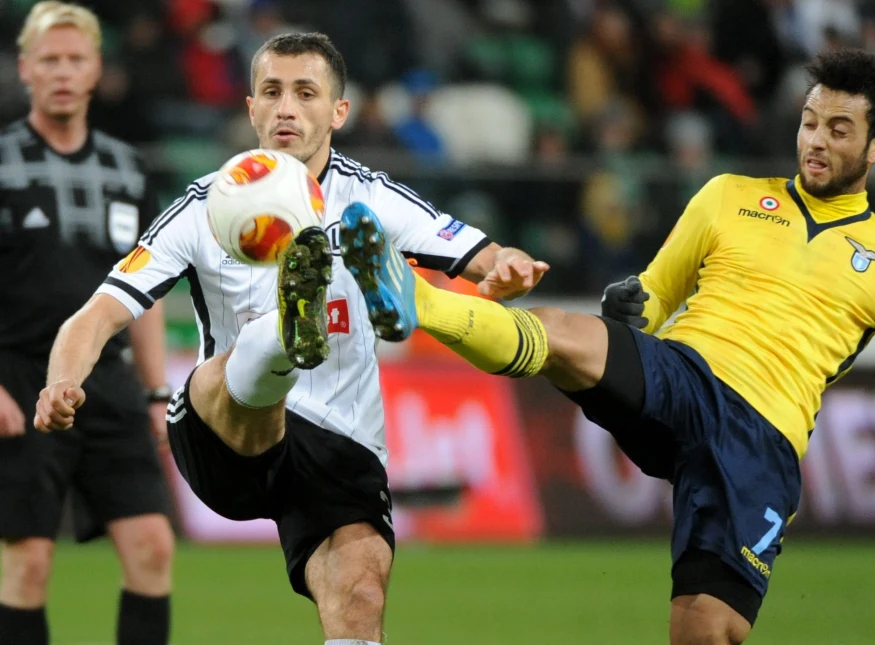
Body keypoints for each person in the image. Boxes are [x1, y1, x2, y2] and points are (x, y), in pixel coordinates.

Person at [338, 48, 875, 644]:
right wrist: (626, 306)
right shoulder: (728, 197)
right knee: (564, 333)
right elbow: (653, 295)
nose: (816, 140)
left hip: (760, 441)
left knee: (703, 627)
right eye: (810, 121)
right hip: (684, 373)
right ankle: (412, 296)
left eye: (839, 130)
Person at [33, 32, 546, 645]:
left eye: (306, 93)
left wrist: (510, 268)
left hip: (343, 442)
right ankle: (283, 331)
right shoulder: (202, 207)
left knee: (359, 598)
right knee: (234, 368)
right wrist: (60, 381)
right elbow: (96, 316)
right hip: (226, 437)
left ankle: (287, 324)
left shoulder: (370, 199)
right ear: (250, 108)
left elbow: (489, 256)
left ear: (338, 112)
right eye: (272, 92)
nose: (286, 108)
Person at [0, 3, 174, 645]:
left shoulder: (128, 169)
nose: (64, 72)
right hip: (18, 382)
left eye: (76, 59)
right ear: (26, 70)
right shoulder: (2, 163)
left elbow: (145, 292)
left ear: (97, 69)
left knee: (154, 547)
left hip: (111, 383)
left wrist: (157, 393)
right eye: (50, 60)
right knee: (29, 563)